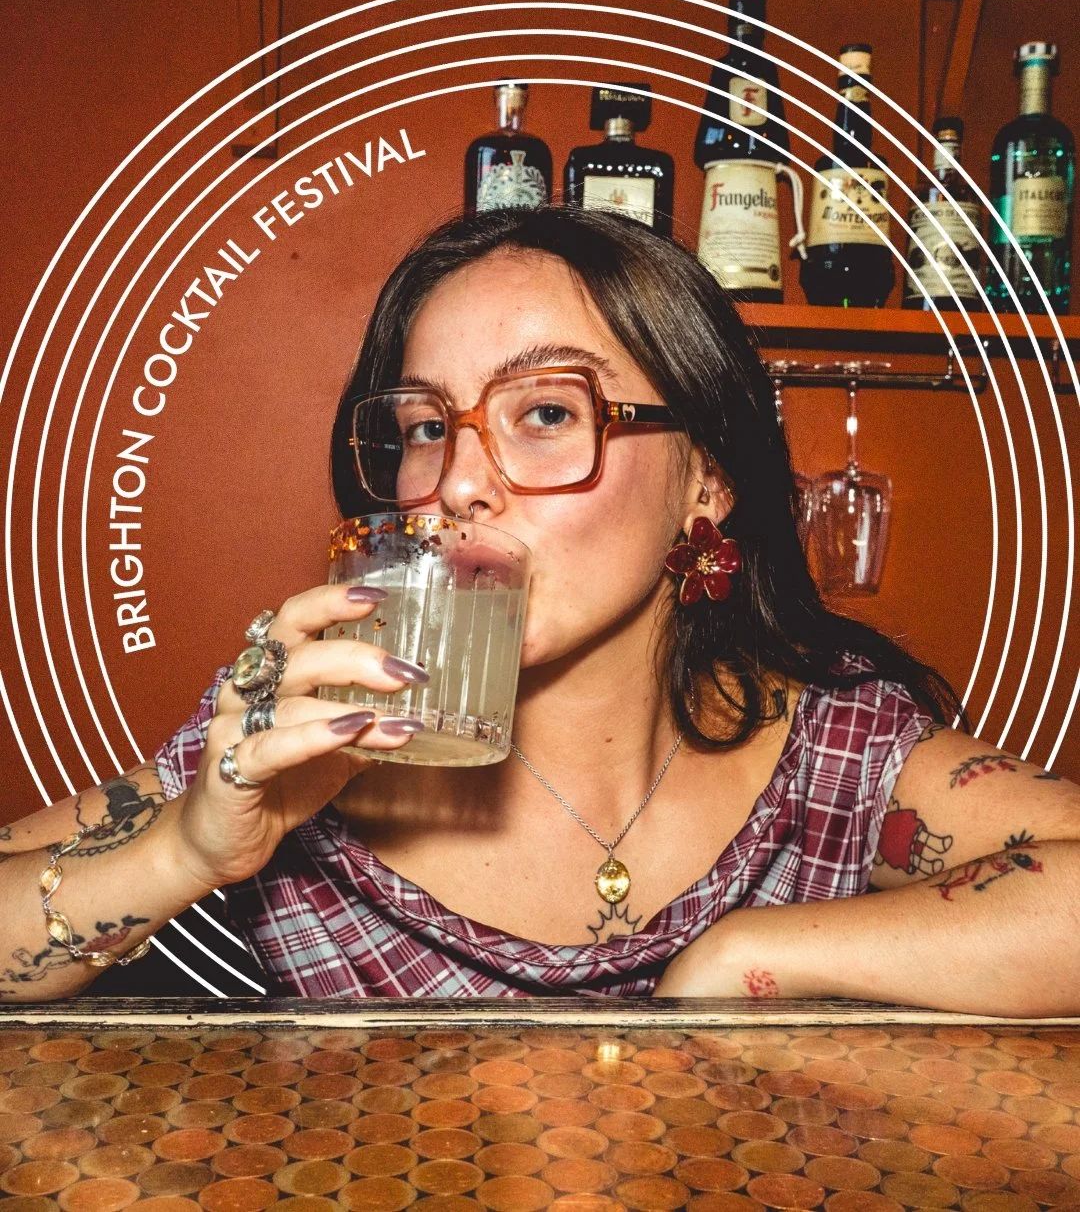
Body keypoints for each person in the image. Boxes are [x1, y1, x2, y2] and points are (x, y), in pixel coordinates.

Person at [2, 205, 1078, 1009]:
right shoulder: (308, 741)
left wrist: (754, 956)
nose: (457, 480)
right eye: (426, 426)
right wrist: (190, 852)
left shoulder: (832, 752)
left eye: (548, 411)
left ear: (706, 478)